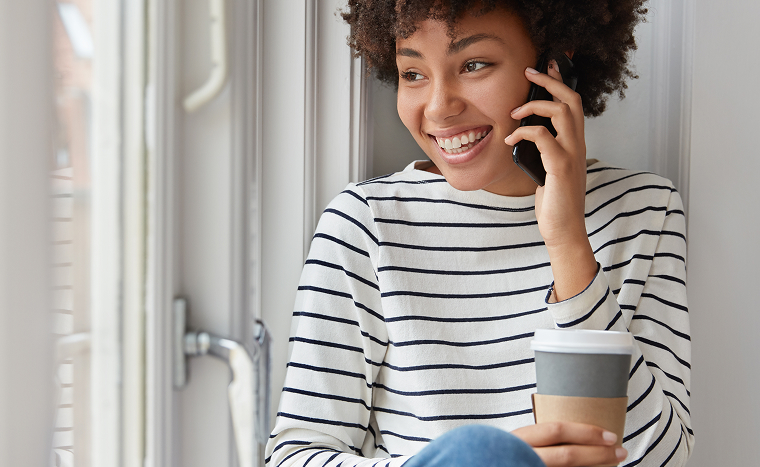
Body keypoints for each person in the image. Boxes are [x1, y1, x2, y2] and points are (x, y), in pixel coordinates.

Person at [265, 1, 693, 466]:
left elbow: (661, 458)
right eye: (413, 73)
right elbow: (295, 456)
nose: (439, 107)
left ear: (554, 67)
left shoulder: (643, 209)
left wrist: (568, 242)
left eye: (473, 65)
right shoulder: (366, 224)